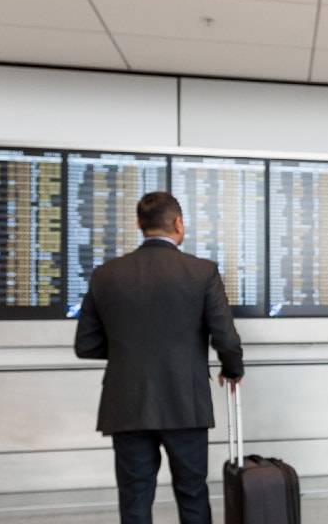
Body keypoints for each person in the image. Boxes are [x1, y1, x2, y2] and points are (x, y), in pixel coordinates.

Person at [75, 191, 244, 524]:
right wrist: (232, 370)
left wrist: (129, 351)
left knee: (135, 496)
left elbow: (86, 345)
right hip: (185, 402)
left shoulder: (106, 273)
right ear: (178, 224)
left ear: (139, 224)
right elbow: (224, 336)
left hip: (127, 402)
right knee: (192, 492)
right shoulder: (202, 272)